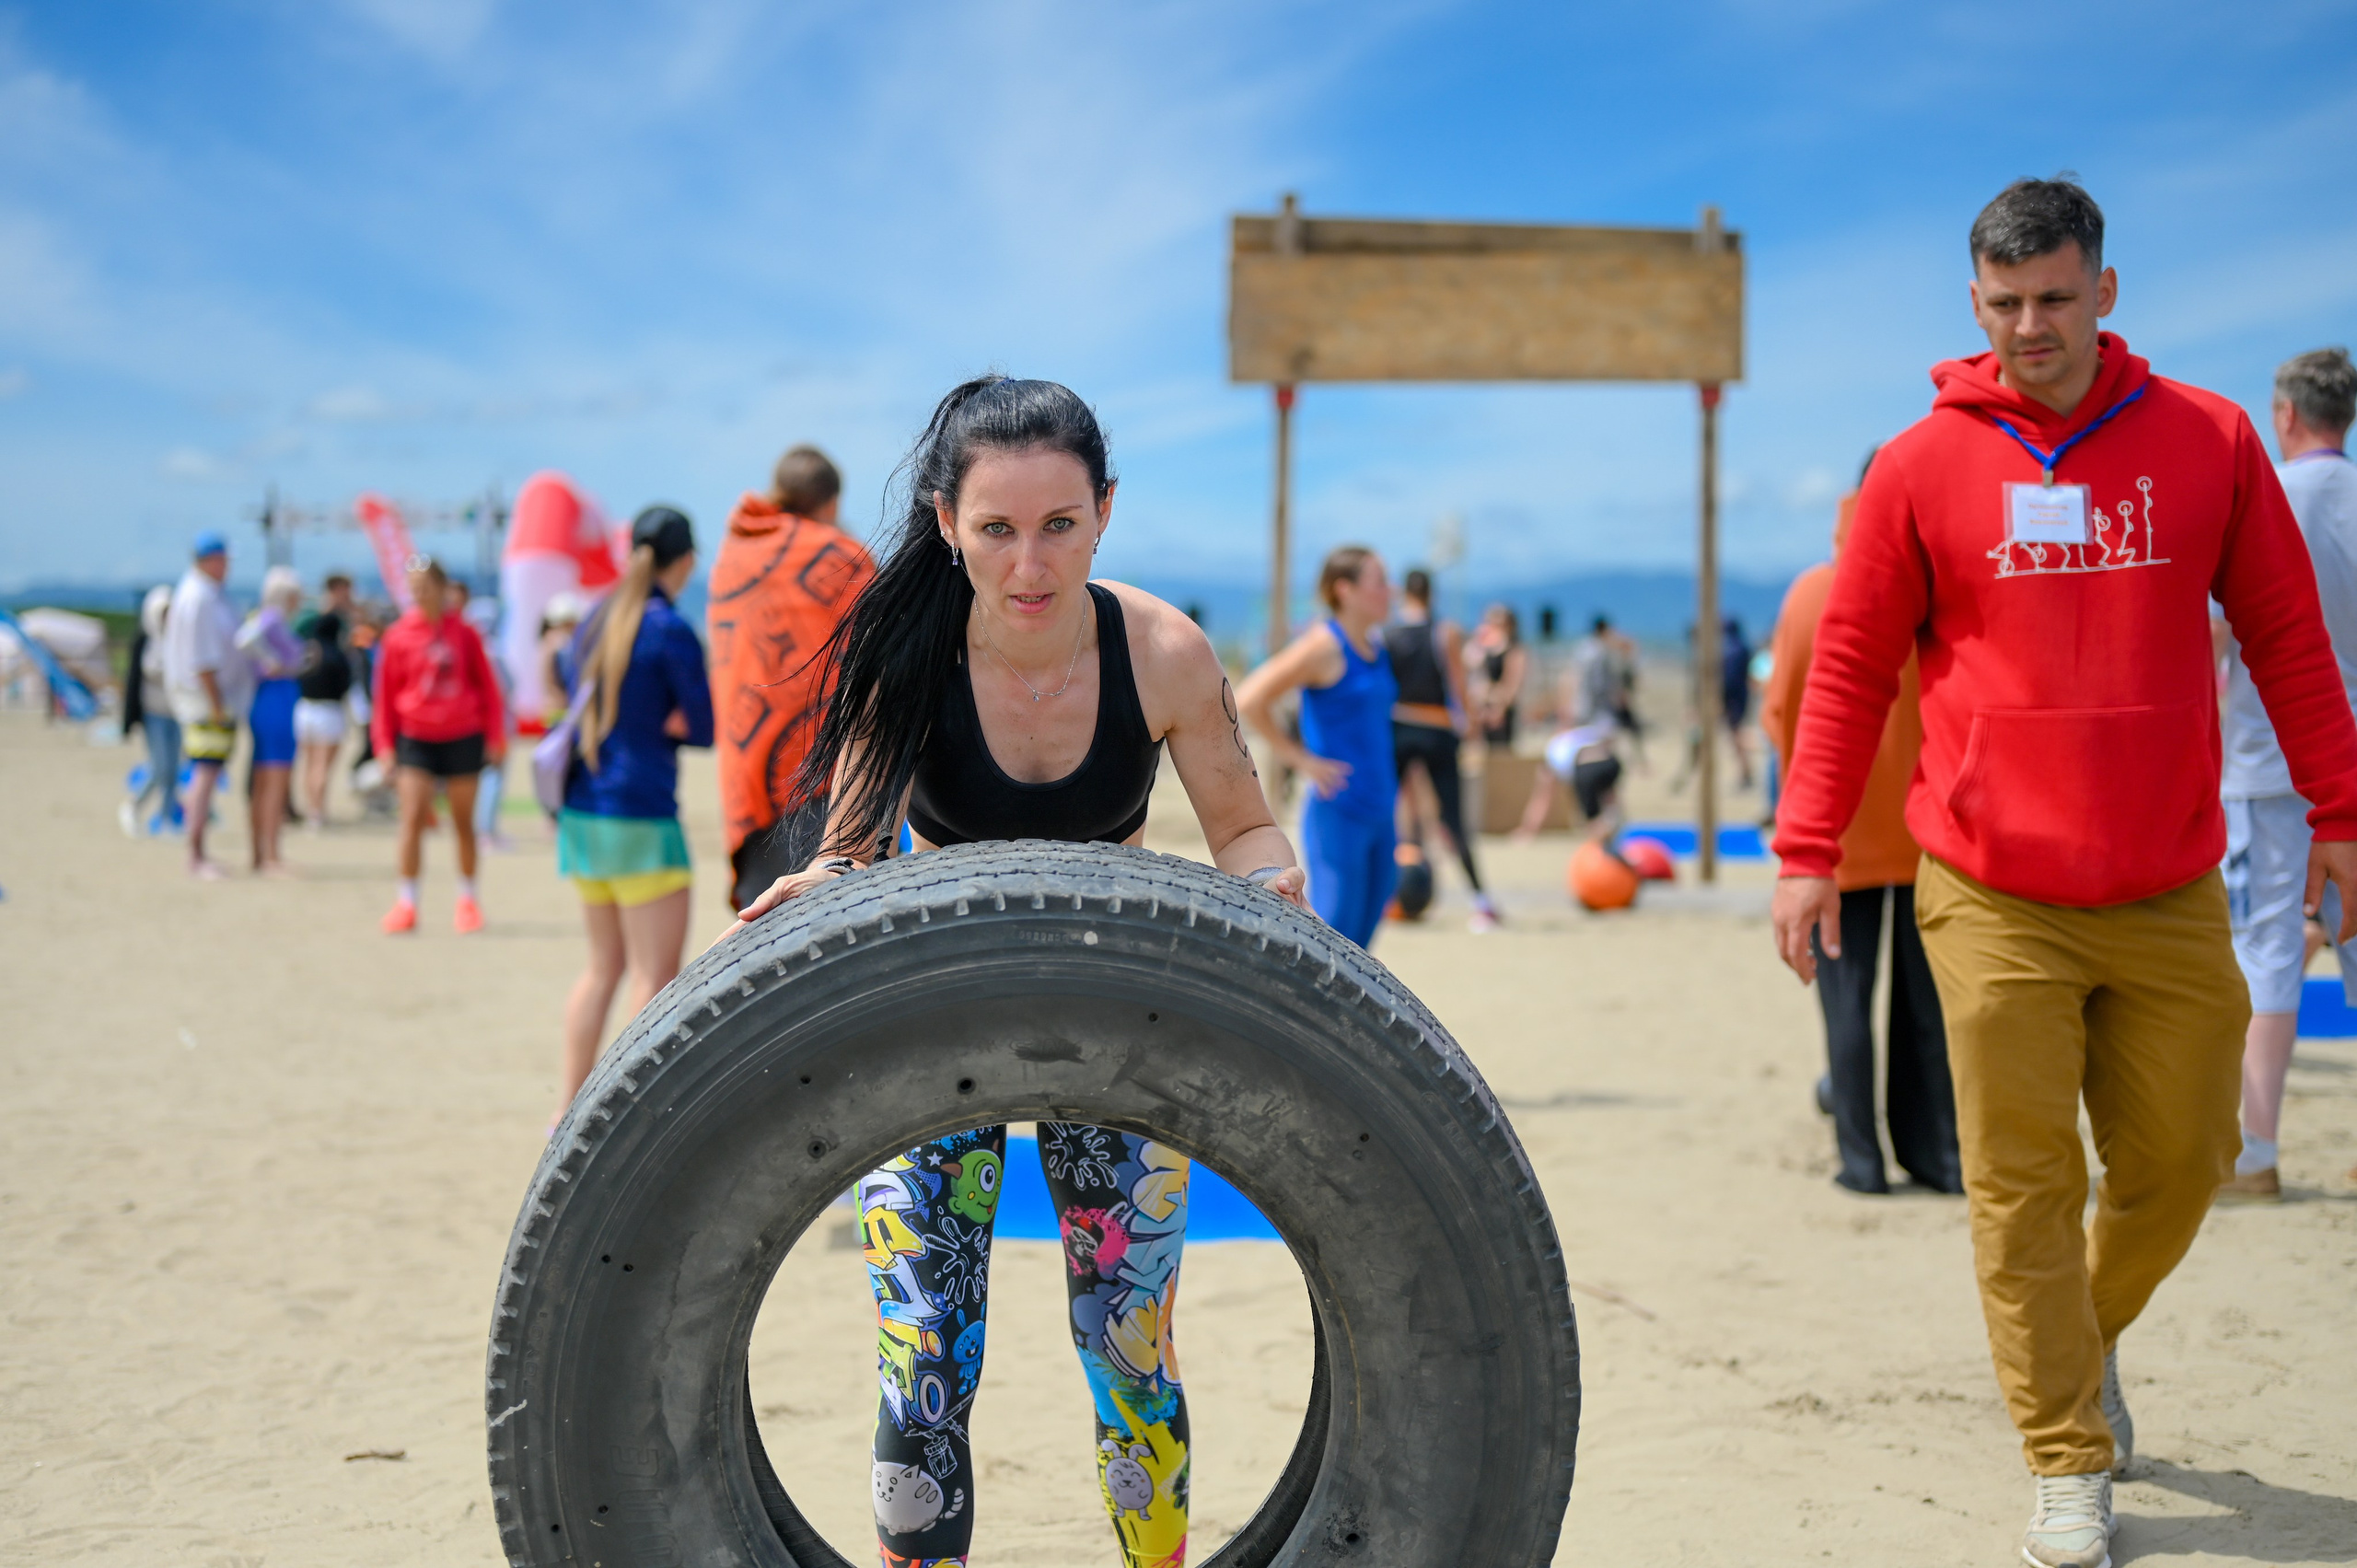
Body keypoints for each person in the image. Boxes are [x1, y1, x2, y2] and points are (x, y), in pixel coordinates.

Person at [1770, 178, 2357, 1568]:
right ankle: (2064, 1451)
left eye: (2056, 297)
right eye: (2006, 303)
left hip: (2167, 882)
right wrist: (1804, 851)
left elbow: (2284, 634)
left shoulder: (2210, 439)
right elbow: (1849, 670)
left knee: (2187, 1156)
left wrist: (2339, 810)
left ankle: (2079, 1344)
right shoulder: (1921, 466)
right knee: (2019, 1180)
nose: (2033, 325)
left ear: (2105, 290)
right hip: (1989, 886)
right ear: (1976, 305)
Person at [732, 377, 1307, 1568]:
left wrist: (1271, 888)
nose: (1029, 560)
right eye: (996, 527)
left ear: (1104, 510)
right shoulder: (909, 657)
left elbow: (1245, 830)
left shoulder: (1161, 651)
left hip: (1116, 1022)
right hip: (937, 1024)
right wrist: (824, 883)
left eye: (1059, 524)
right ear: (947, 520)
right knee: (925, 1351)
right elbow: (850, 847)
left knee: (1130, 1351)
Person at [1762, 461, 1960, 1197]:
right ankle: (1938, 1156)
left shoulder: (1812, 591)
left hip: (1833, 838)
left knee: (1845, 1004)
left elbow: (1778, 709)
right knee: (1924, 1009)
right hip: (1923, 830)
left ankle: (1862, 1161)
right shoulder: (1932, 581)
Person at [2214, 346, 2357, 1201]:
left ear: (2286, 414)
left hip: (2275, 757)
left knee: (2267, 949)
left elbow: (2219, 636)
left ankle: (2256, 1153)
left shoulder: (2268, 495)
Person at [554, 506, 714, 1112]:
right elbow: (703, 723)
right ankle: (628, 1113)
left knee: (602, 968)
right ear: (686, 562)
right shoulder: (669, 627)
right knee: (654, 975)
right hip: (641, 813)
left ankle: (567, 1107)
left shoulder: (595, 619)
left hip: (583, 811)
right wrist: (668, 724)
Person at [707, 443, 876, 912]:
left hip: (748, 760)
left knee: (764, 924)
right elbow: (879, 653)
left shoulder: (734, 556)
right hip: (824, 763)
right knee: (833, 919)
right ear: (831, 502)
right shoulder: (841, 555)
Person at [1238, 547, 1399, 948]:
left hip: (1382, 810)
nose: (1390, 590)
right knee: (1331, 943)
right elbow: (1251, 697)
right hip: (1339, 811)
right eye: (1379, 581)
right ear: (1345, 590)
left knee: (1363, 948)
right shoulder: (1324, 645)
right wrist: (1300, 760)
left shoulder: (1376, 648)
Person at [371, 556, 506, 934]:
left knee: (463, 823)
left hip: (463, 735)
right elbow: (384, 696)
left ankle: (467, 901)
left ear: (442, 588)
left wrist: (496, 736)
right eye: (413, 587)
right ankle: (407, 903)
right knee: (412, 818)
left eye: (425, 586)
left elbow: (488, 688)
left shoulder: (464, 633)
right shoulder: (397, 636)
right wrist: (383, 746)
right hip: (416, 739)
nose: (419, 593)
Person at [1386, 567, 1497, 931]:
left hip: (1399, 725)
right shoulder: (1444, 631)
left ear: (1405, 594)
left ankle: (1382, 894)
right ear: (1431, 594)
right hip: (1437, 728)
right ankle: (1481, 903)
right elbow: (1457, 684)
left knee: (1385, 812)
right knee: (1453, 819)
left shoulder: (1386, 633)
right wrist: (1472, 727)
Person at [162, 532, 251, 880]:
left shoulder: (205, 594)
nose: (227, 566)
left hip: (211, 697)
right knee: (205, 772)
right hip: (206, 700)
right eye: (224, 559)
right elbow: (202, 659)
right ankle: (195, 853)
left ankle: (198, 850)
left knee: (208, 772)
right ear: (209, 560)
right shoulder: (198, 597)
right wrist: (217, 703)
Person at [238, 566, 306, 875]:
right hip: (275, 701)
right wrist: (270, 661)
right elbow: (244, 640)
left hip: (269, 701)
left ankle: (259, 853)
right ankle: (271, 855)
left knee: (263, 780)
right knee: (275, 780)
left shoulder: (268, 618)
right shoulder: (273, 619)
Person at [293, 573, 356, 829]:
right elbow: (347, 683)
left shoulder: (307, 645)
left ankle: (312, 809)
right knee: (322, 766)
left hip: (304, 708)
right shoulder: (337, 654)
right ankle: (318, 812)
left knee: (310, 765)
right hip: (329, 711)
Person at [120, 585, 180, 838]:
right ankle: (133, 806)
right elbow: (133, 682)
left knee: (174, 769)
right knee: (160, 768)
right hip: (153, 714)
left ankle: (167, 819)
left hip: (176, 713)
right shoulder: (145, 642)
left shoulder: (179, 640)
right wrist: (128, 720)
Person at [1465, 603, 1527, 749]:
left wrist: (1499, 709)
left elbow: (1512, 684)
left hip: (1500, 713)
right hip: (1480, 712)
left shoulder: (1515, 651)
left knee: (1500, 758)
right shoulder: (1480, 649)